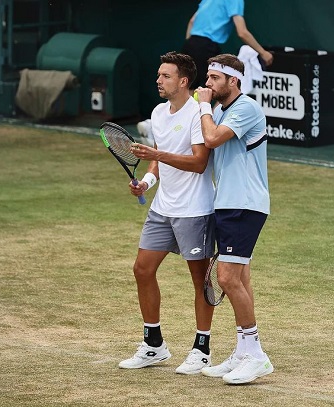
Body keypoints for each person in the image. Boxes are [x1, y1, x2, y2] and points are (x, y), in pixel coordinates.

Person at [119, 51, 216, 375]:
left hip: (194, 210)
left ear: (183, 81)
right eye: (159, 75)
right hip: (163, 207)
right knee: (142, 269)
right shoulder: (158, 112)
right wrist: (146, 182)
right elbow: (158, 162)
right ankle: (154, 345)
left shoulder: (198, 115)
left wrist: (157, 152)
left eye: (165, 76)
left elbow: (199, 163)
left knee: (200, 280)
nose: (158, 80)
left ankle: (201, 350)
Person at [193, 53, 272, 384]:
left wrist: (202, 106)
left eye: (214, 78)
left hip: (245, 203)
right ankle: (243, 350)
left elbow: (211, 139)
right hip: (227, 203)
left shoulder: (246, 108)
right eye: (207, 78)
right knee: (241, 279)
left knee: (226, 278)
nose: (208, 84)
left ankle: (255, 354)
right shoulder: (224, 111)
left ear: (233, 81)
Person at [137, 0, 274, 140]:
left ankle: (158, 127)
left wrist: (190, 48)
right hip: (206, 46)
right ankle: (160, 127)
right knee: (214, 89)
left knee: (188, 91)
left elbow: (192, 21)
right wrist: (263, 52)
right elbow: (242, 32)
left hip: (191, 43)